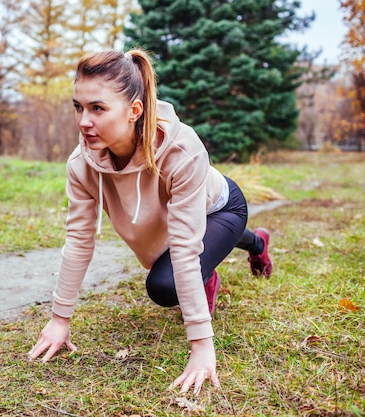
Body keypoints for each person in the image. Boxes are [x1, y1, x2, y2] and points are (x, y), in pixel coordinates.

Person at [27, 48, 273, 395]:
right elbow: (79, 241)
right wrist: (58, 320)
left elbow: (186, 250)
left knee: (164, 286)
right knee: (177, 265)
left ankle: (256, 243)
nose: (84, 121)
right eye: (78, 107)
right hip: (180, 222)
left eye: (98, 108)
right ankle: (223, 258)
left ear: (134, 111)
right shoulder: (81, 164)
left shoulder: (181, 151)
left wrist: (202, 347)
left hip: (220, 207)